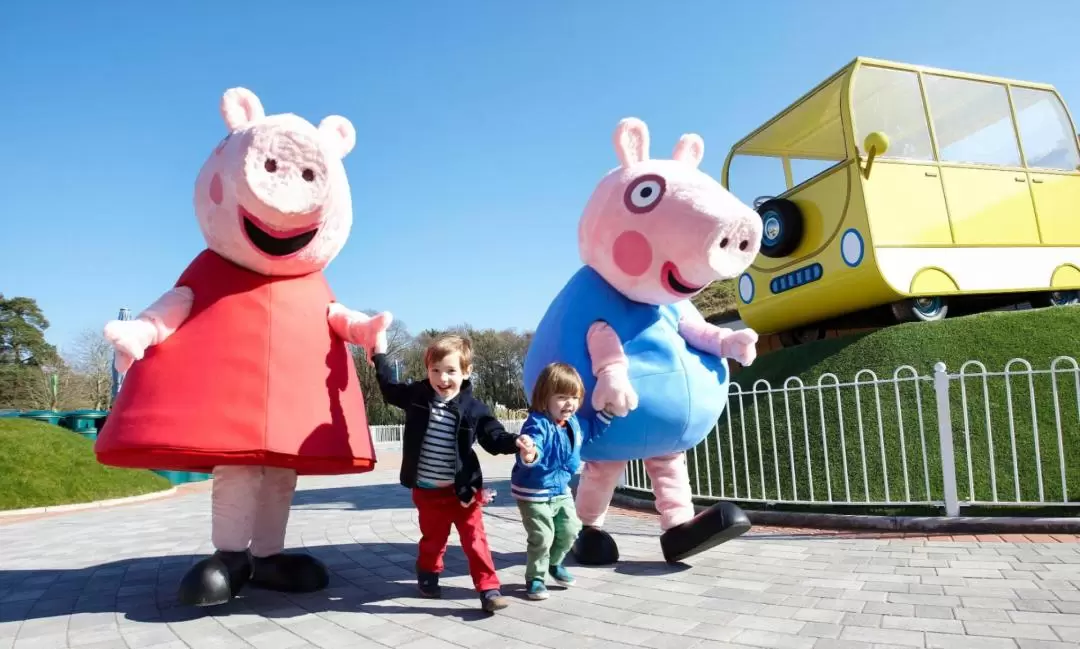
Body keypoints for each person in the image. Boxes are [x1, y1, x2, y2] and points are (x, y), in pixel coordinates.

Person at [372, 333, 533, 613]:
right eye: (435, 370)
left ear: (466, 372)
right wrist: (379, 355)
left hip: (463, 491)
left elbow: (493, 436)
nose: (442, 379)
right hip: (426, 490)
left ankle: (488, 588)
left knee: (475, 540)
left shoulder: (474, 408)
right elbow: (388, 388)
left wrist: (516, 443)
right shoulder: (418, 395)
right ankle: (428, 572)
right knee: (433, 540)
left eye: (450, 371)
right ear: (427, 370)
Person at [512, 362, 617, 600]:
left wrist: (608, 412)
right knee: (542, 536)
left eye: (575, 397)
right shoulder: (537, 423)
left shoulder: (575, 423)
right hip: (534, 492)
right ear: (544, 397)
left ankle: (555, 563)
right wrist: (530, 453)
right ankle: (536, 577)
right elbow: (534, 443)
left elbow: (593, 429)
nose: (569, 403)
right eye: (561, 397)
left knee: (571, 530)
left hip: (561, 489)